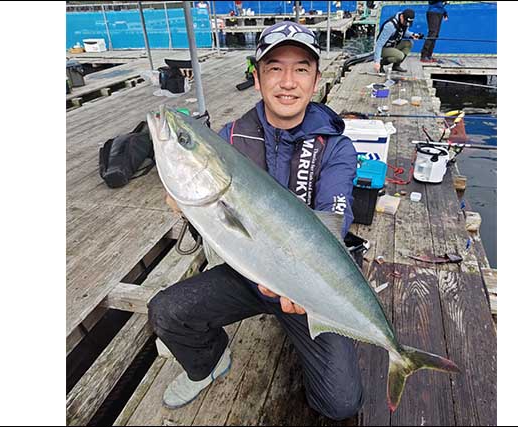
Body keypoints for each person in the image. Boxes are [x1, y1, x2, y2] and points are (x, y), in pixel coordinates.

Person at [147, 22, 363, 421]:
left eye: (301, 69)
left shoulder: (336, 148)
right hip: (246, 272)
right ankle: (209, 362)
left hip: (307, 283)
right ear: (257, 76)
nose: (287, 82)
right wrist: (186, 204)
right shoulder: (228, 138)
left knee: (341, 402)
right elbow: (216, 214)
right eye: (273, 68)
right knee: (165, 312)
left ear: (315, 80)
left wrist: (308, 286)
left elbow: (335, 218)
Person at [372, 8, 423, 73]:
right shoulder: (390, 26)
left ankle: (396, 66)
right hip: (384, 48)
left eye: (408, 23)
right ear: (401, 16)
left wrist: (413, 35)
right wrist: (377, 62)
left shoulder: (405, 23)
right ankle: (382, 63)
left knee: (409, 43)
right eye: (405, 22)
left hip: (393, 45)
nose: (406, 24)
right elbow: (379, 44)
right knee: (400, 56)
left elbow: (404, 32)